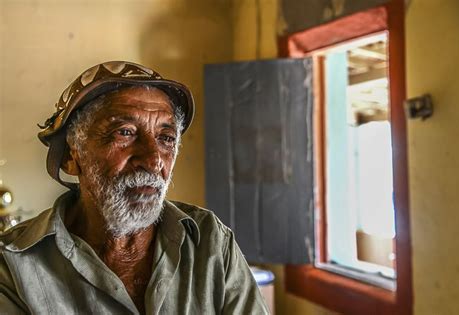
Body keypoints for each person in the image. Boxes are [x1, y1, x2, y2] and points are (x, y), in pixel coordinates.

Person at [0, 61, 268, 314]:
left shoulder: (211, 243)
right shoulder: (13, 266)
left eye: (166, 138)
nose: (153, 161)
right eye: (125, 132)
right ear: (72, 156)